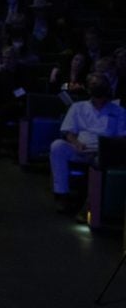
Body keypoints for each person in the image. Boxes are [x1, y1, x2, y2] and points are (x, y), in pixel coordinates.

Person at [49, 73, 126, 213]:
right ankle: (62, 195)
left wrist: (106, 148)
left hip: (104, 152)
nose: (97, 87)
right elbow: (68, 132)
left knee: (102, 159)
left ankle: (89, 204)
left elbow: (122, 137)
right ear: (89, 89)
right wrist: (77, 143)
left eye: (100, 84)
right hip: (81, 149)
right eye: (94, 84)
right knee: (57, 146)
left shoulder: (119, 111)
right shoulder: (78, 107)